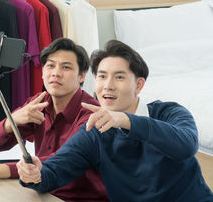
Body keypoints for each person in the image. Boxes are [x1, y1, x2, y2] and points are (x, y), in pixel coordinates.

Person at [17, 40, 213, 201]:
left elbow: (186, 145)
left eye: (119, 77)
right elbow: (53, 172)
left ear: (139, 85)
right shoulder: (95, 133)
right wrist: (34, 173)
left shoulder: (169, 112)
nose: (107, 86)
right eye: (102, 77)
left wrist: (126, 120)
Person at [0, 38, 108, 202]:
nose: (55, 73)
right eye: (50, 65)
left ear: (81, 76)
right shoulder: (39, 103)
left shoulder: (92, 115)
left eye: (66, 67)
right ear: (42, 72)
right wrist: (12, 121)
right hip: (42, 193)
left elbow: (57, 163)